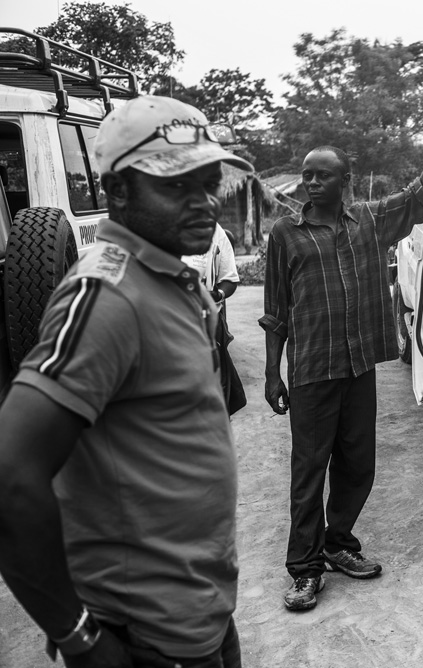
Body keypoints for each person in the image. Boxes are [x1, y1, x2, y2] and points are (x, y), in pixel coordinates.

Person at [0, 95, 250, 667]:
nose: (204, 204)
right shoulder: (107, 297)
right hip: (145, 636)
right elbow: (11, 476)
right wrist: (78, 636)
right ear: (118, 192)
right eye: (176, 186)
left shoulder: (170, 277)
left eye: (209, 184)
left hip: (198, 612)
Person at [261, 123, 423, 611]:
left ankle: (338, 542)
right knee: (308, 470)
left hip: (358, 365)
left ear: (345, 181)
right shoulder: (286, 233)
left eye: (323, 176)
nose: (312, 183)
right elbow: (275, 309)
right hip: (310, 371)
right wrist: (271, 372)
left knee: (358, 462)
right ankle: (304, 570)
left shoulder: (368, 221)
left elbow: (419, 195)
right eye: (307, 176)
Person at [183, 223, 245, 415]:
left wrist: (217, 295)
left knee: (215, 402)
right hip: (170, 331)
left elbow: (230, 279)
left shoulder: (215, 231)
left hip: (208, 331)